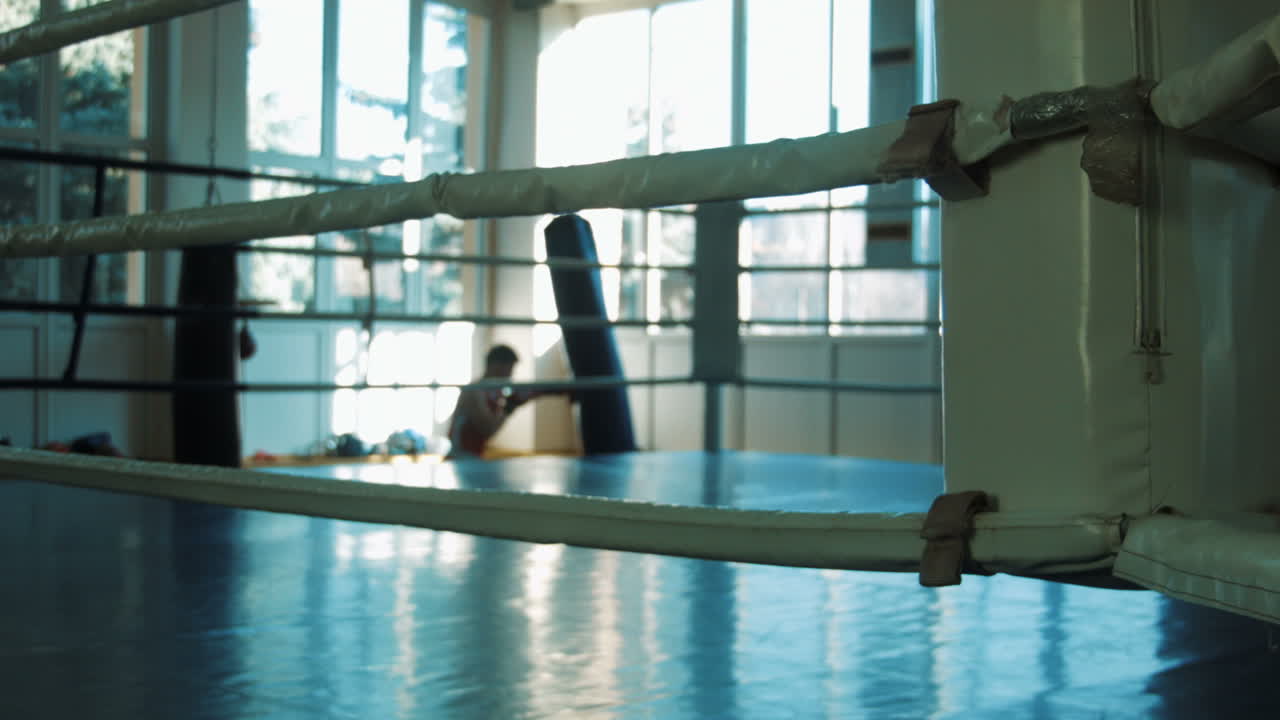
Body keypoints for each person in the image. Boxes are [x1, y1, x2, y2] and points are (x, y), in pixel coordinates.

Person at [445, 345, 540, 460]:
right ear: (496, 366)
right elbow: (488, 429)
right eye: (509, 369)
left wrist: (510, 406)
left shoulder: (493, 392)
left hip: (474, 456)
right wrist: (510, 406)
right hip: (460, 457)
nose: (511, 375)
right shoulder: (474, 390)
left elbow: (490, 430)